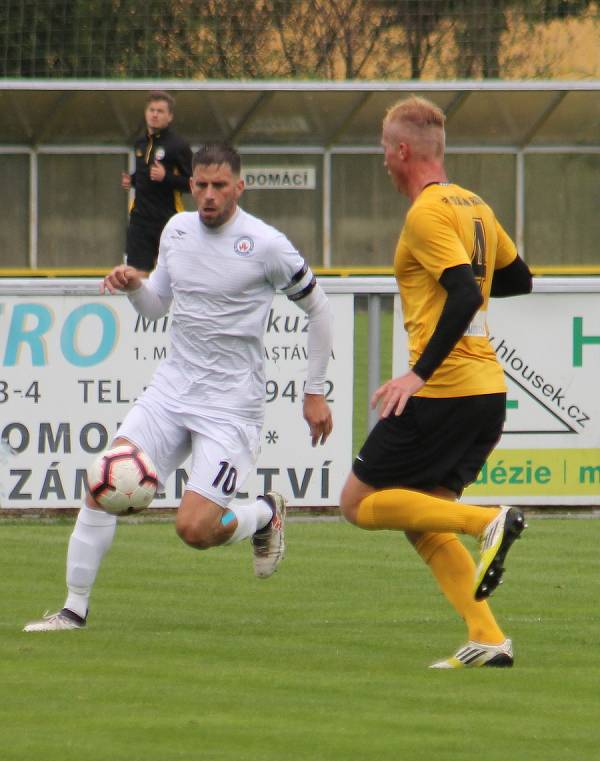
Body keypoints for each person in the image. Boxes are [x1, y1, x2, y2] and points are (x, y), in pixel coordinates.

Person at [24, 142, 333, 632]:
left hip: (231, 407)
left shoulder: (266, 244)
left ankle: (261, 513)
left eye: (220, 186)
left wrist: (313, 390)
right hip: (171, 391)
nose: (209, 196)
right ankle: (72, 609)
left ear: (239, 186)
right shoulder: (177, 230)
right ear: (190, 186)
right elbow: (156, 306)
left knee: (194, 529)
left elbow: (319, 309)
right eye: (201, 186)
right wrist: (133, 288)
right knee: (102, 482)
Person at [339, 96, 533, 669]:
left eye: (383, 151)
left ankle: (487, 521)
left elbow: (468, 292)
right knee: (423, 520)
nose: (383, 162)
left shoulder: (426, 212)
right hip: (486, 393)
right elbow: (518, 279)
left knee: (357, 502)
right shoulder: (473, 203)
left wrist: (417, 374)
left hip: (445, 390)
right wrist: (464, 281)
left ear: (402, 151)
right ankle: (489, 639)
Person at [122, 90, 193, 273]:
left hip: (167, 219)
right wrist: (133, 180)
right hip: (140, 219)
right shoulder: (140, 143)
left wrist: (166, 177)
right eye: (151, 110)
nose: (154, 114)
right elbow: (145, 176)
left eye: (160, 111)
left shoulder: (178, 146)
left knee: (170, 274)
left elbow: (193, 183)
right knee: (136, 274)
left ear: (169, 117)